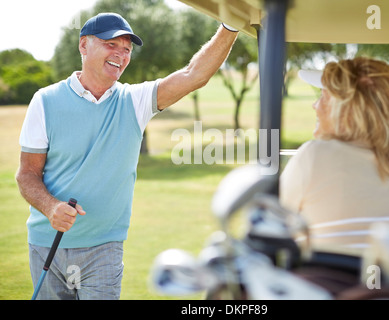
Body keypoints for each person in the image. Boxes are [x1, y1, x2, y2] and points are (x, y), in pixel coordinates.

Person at [16, 12, 239, 300]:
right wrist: (50, 207)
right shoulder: (45, 101)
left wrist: (231, 26)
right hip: (47, 244)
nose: (120, 55)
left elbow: (193, 75)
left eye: (127, 50)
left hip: (104, 248)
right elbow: (27, 174)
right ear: (84, 45)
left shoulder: (135, 101)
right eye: (112, 44)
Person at [279, 57, 389, 254]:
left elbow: (272, 224)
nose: (315, 105)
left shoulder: (314, 156)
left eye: (324, 96)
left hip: (328, 282)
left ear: (346, 107)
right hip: (386, 283)